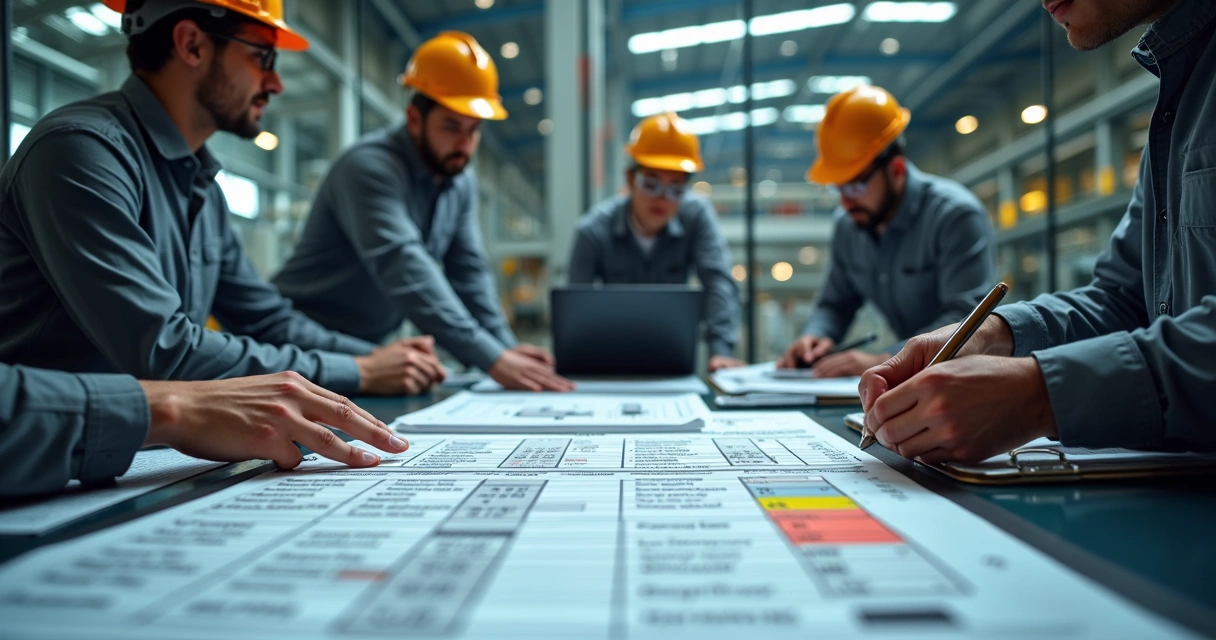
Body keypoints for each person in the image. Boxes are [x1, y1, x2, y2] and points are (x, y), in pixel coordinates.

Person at [0, 0, 444, 398]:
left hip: (143, 451)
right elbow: (163, 349)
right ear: (191, 44)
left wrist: (380, 358)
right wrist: (358, 370)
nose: (276, 83)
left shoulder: (203, 188)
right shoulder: (81, 151)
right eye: (262, 57)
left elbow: (267, 319)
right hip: (54, 464)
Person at [860, 0, 1215, 463]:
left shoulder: (951, 212)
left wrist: (1039, 392)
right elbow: (1127, 300)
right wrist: (996, 333)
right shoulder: (1183, 93)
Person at [272, 32, 571, 392]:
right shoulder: (368, 167)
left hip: (366, 355)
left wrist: (505, 348)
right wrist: (491, 357)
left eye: (474, 130)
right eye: (451, 126)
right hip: (300, 342)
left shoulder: (459, 179)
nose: (464, 144)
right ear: (414, 118)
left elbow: (470, 272)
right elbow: (405, 265)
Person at [775, 85, 995, 378]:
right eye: (838, 187)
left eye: (855, 186)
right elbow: (835, 304)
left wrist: (886, 358)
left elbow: (965, 321)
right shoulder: (848, 224)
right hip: (911, 378)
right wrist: (816, 336)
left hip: (966, 376)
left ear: (896, 169)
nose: (845, 201)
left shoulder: (954, 215)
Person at [0, 363, 408, 498]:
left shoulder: (206, 183)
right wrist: (169, 408)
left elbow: (263, 310)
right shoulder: (77, 162)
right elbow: (166, 343)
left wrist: (361, 364)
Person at [568, 112, 744, 373]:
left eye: (675, 189)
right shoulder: (592, 231)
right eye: (651, 184)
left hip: (674, 361)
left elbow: (718, 282)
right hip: (609, 362)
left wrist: (720, 352)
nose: (662, 199)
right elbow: (577, 309)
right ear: (630, 180)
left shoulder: (696, 216)